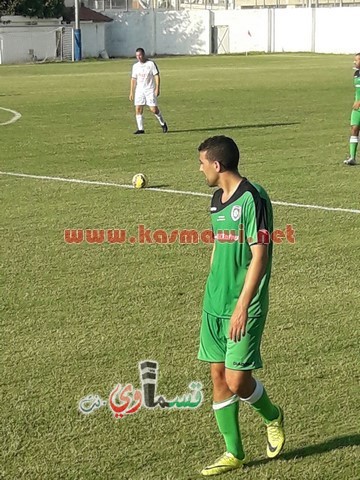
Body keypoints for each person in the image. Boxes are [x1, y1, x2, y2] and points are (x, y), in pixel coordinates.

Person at [197, 136, 285, 476]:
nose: (200, 169)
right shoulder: (216, 199)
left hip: (243, 304)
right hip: (214, 302)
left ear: (217, 165)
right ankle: (233, 452)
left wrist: (242, 306)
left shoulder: (253, 198)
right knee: (218, 375)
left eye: (202, 163)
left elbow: (259, 256)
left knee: (237, 380)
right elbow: (219, 247)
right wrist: (210, 288)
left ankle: (272, 415)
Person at [129, 47, 168, 135]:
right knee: (138, 108)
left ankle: (163, 123)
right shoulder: (135, 66)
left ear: (143, 54)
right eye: (137, 56)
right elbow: (133, 79)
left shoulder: (150, 64)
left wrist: (157, 88)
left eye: (140, 55)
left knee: (153, 109)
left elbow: (156, 76)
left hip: (149, 90)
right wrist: (131, 92)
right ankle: (140, 129)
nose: (138, 57)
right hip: (139, 90)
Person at [344, 52, 360, 165]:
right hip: (357, 108)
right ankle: (352, 158)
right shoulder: (356, 74)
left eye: (357, 60)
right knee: (354, 129)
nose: (354, 62)